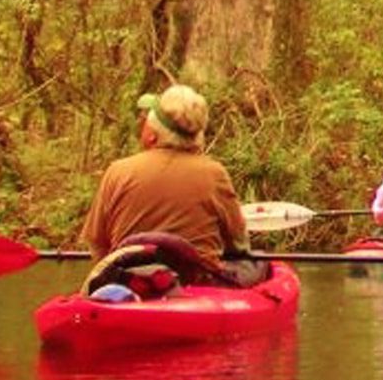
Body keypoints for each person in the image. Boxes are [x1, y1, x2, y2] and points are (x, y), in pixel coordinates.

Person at [79, 85, 259, 291]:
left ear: (152, 135)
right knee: (254, 263)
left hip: (129, 283)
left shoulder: (117, 171)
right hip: (194, 288)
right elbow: (238, 244)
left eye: (145, 120)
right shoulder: (214, 173)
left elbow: (97, 244)